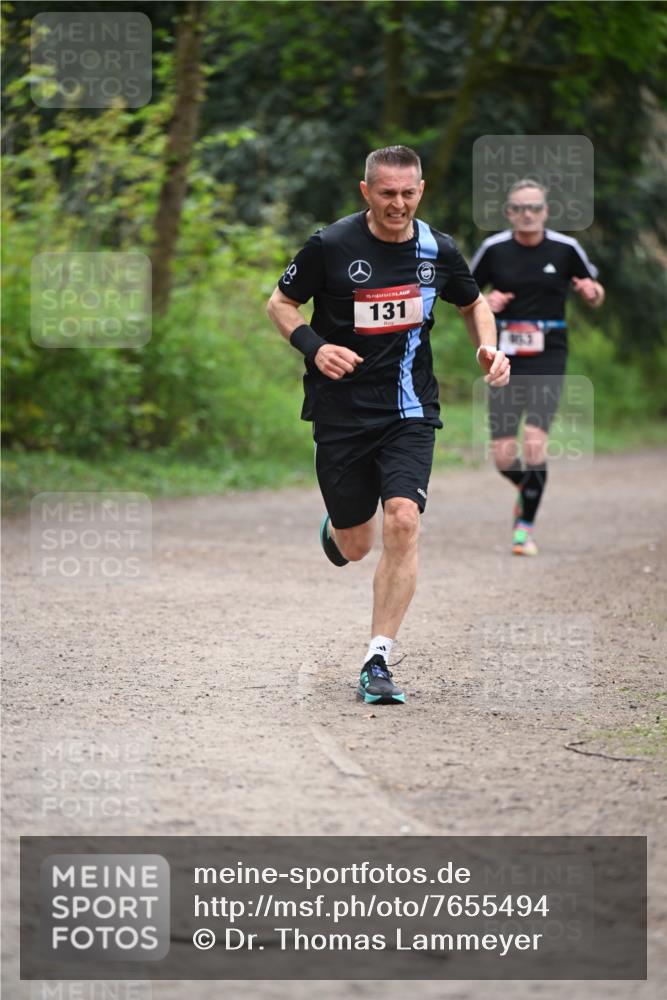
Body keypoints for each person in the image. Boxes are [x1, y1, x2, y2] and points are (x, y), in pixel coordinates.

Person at [267, 145, 509, 705]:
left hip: (409, 409)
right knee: (356, 546)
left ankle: (377, 659)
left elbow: (474, 305)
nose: (397, 204)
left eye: (407, 193)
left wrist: (489, 349)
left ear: (420, 190)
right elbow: (280, 304)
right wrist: (315, 345)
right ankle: (339, 528)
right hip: (341, 413)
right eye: (386, 193)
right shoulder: (330, 246)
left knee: (403, 519)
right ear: (365, 192)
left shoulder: (437, 250)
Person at [469, 179, 604, 556]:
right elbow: (465, 295)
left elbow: (594, 289)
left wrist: (592, 293)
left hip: (549, 354)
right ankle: (529, 488)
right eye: (519, 208)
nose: (527, 214)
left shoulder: (566, 248)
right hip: (505, 356)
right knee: (502, 455)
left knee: (533, 443)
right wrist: (486, 301)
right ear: (510, 213)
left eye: (534, 208)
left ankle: (523, 530)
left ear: (545, 211)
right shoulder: (493, 249)